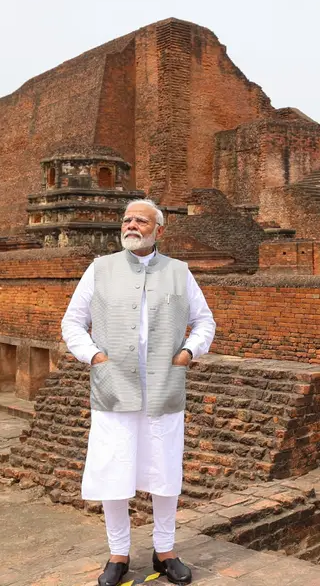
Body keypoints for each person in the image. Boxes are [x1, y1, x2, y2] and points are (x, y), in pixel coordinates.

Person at [61, 198, 215, 585]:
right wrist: (94, 356)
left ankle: (166, 551)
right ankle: (118, 554)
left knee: (164, 469)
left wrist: (188, 352)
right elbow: (73, 323)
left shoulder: (179, 273)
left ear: (158, 230)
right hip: (114, 385)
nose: (131, 225)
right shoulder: (100, 269)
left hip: (164, 386)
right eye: (127, 219)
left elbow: (204, 321)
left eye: (141, 220)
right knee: (114, 470)